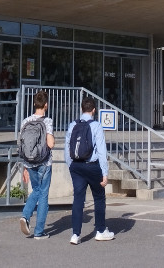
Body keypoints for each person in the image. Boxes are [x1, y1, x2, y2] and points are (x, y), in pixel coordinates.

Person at [64, 96, 114, 244]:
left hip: (76, 166)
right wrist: (105, 173)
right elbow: (102, 151)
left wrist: (71, 165)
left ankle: (75, 234)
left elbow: (67, 147)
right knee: (99, 197)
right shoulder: (96, 125)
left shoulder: (73, 124)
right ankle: (100, 230)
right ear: (94, 110)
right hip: (92, 166)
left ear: (81, 109)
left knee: (78, 199)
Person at [18, 90, 55, 240]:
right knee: (43, 194)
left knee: (36, 190)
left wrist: (25, 166)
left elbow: (22, 145)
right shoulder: (47, 121)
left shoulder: (25, 121)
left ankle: (26, 217)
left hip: (30, 162)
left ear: (34, 103)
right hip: (44, 162)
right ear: (46, 105)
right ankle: (38, 231)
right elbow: (50, 144)